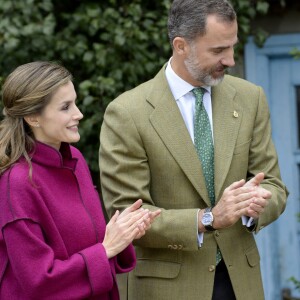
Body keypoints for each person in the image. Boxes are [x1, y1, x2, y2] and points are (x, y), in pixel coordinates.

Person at [99, 0, 289, 300]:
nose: (229, 60)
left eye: (232, 47)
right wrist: (208, 218)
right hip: (165, 288)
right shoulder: (127, 112)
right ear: (180, 46)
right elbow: (127, 215)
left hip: (241, 282)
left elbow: (275, 186)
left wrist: (257, 203)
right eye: (217, 50)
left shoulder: (250, 98)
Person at [0, 61, 161, 300]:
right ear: (33, 117)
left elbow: (92, 245)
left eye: (74, 102)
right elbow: (38, 282)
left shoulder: (74, 159)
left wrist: (122, 233)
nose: (79, 114)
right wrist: (107, 248)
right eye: (65, 107)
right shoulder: (17, 183)